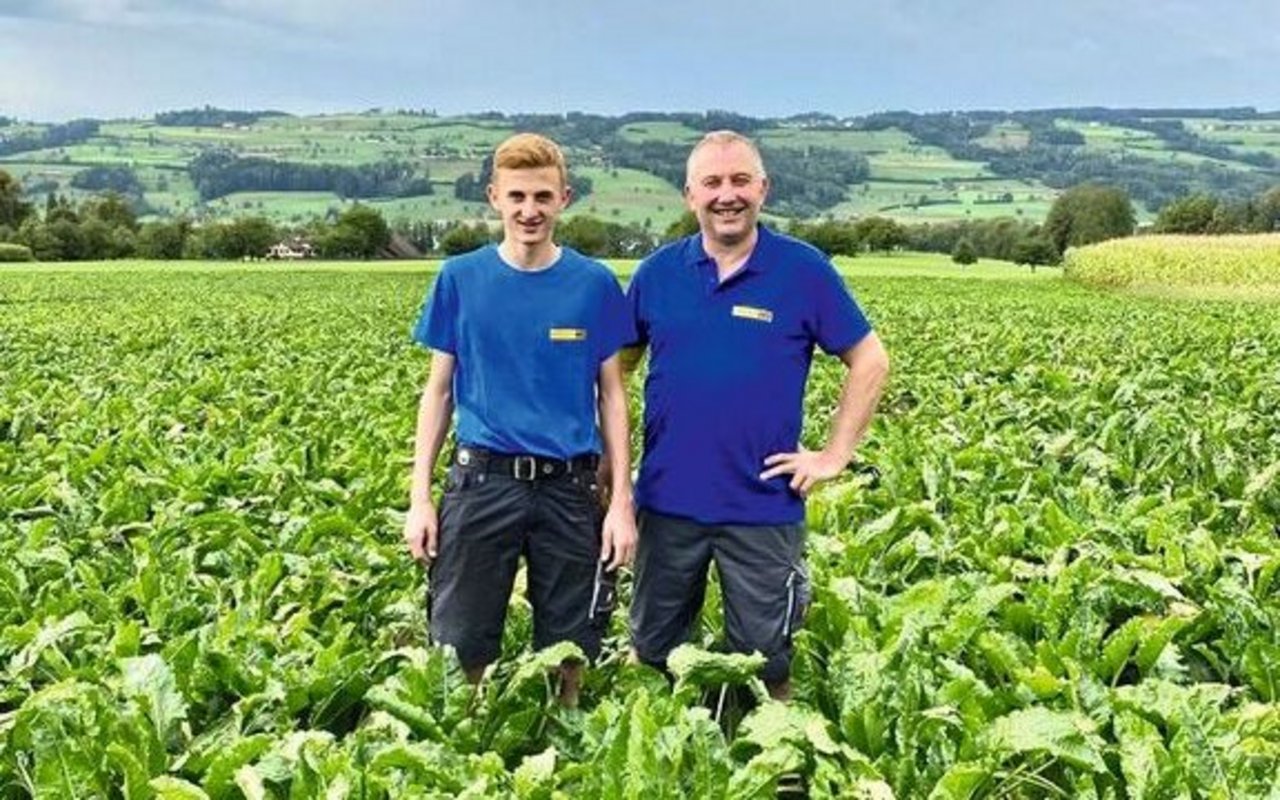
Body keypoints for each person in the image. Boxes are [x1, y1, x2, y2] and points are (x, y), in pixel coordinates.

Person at [625, 130, 890, 700]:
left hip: (763, 505)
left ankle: (767, 772)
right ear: (689, 194)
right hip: (667, 503)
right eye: (713, 182)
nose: (728, 194)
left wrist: (834, 454)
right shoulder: (656, 274)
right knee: (653, 657)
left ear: (763, 189)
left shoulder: (803, 270)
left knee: (767, 668)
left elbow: (869, 359)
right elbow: (612, 373)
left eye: (740, 180)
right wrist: (607, 464)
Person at [403, 133, 637, 706]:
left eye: (542, 196)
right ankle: (462, 756)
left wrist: (622, 502)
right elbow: (437, 393)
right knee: (461, 643)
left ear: (564, 199)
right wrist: (420, 497)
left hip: (570, 486)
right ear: (494, 198)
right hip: (483, 482)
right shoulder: (459, 279)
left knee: (571, 643)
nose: (529, 210)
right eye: (517, 196)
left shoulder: (595, 284)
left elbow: (612, 396)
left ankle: (565, 743)